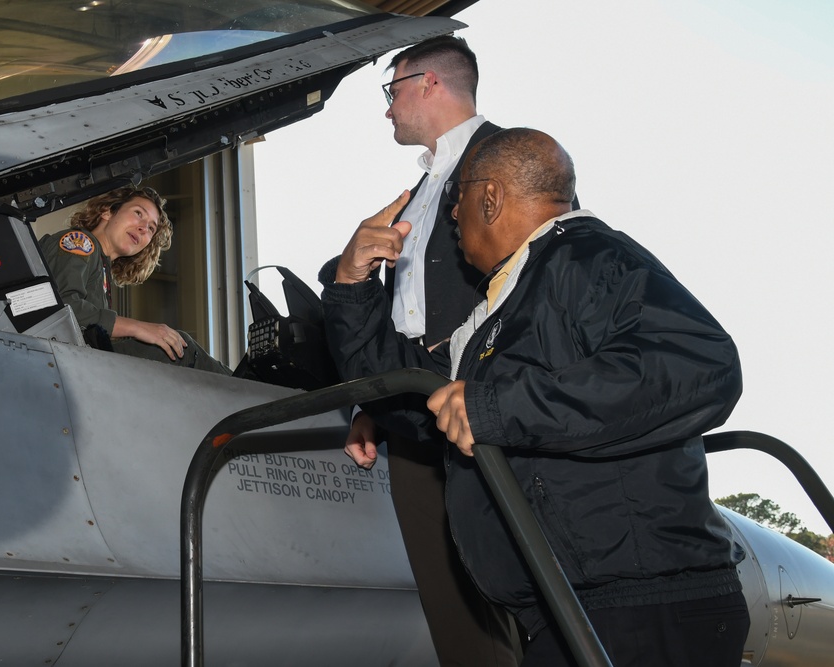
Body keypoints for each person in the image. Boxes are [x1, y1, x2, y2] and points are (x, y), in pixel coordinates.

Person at [320, 128, 750, 667]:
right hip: (570, 611)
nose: (453, 218)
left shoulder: (588, 259)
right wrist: (351, 285)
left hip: (638, 608)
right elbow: (417, 397)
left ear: (491, 198)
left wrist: (498, 409)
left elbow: (699, 364)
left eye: (458, 203)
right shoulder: (505, 306)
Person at [345, 35, 516, 665]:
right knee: (454, 616)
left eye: (391, 92)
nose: (387, 108)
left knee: (514, 597)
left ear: (428, 84)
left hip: (482, 419)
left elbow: (541, 292)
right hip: (416, 424)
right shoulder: (415, 196)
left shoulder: (512, 161)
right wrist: (374, 404)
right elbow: (404, 323)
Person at [40, 185, 231, 375]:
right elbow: (61, 308)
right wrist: (138, 328)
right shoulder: (81, 242)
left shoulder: (101, 269)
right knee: (180, 349)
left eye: (151, 228)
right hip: (62, 361)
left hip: (74, 363)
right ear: (107, 211)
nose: (143, 228)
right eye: (139, 213)